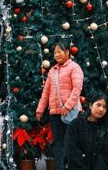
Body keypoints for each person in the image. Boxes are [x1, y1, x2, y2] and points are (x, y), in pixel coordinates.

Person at [35, 39, 84, 170]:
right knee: (58, 144)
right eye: (55, 52)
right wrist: (40, 110)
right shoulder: (52, 71)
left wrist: (67, 106)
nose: (57, 55)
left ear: (67, 52)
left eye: (59, 51)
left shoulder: (74, 67)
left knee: (72, 144)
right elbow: (46, 92)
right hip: (55, 114)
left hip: (70, 113)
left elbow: (77, 88)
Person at [64, 92, 108, 170]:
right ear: (90, 105)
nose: (101, 109)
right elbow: (71, 150)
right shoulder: (76, 125)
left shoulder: (106, 128)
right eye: (98, 105)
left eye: (104, 107)